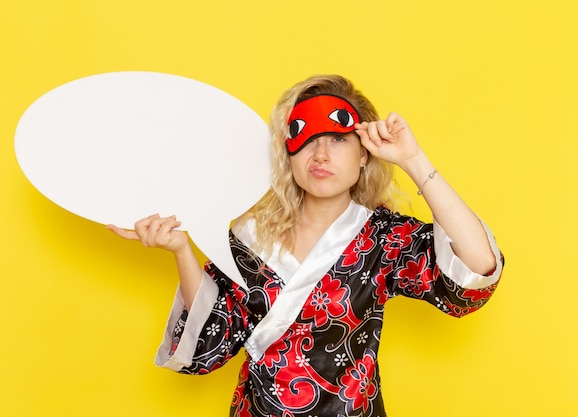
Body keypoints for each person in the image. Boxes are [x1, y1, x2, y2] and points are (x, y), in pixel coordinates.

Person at [108, 74, 504, 417]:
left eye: (337, 139)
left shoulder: (381, 237)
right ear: (288, 150)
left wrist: (413, 159)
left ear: (364, 153)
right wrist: (181, 249)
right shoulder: (249, 237)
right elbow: (209, 343)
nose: (321, 155)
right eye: (307, 139)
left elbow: (476, 269)